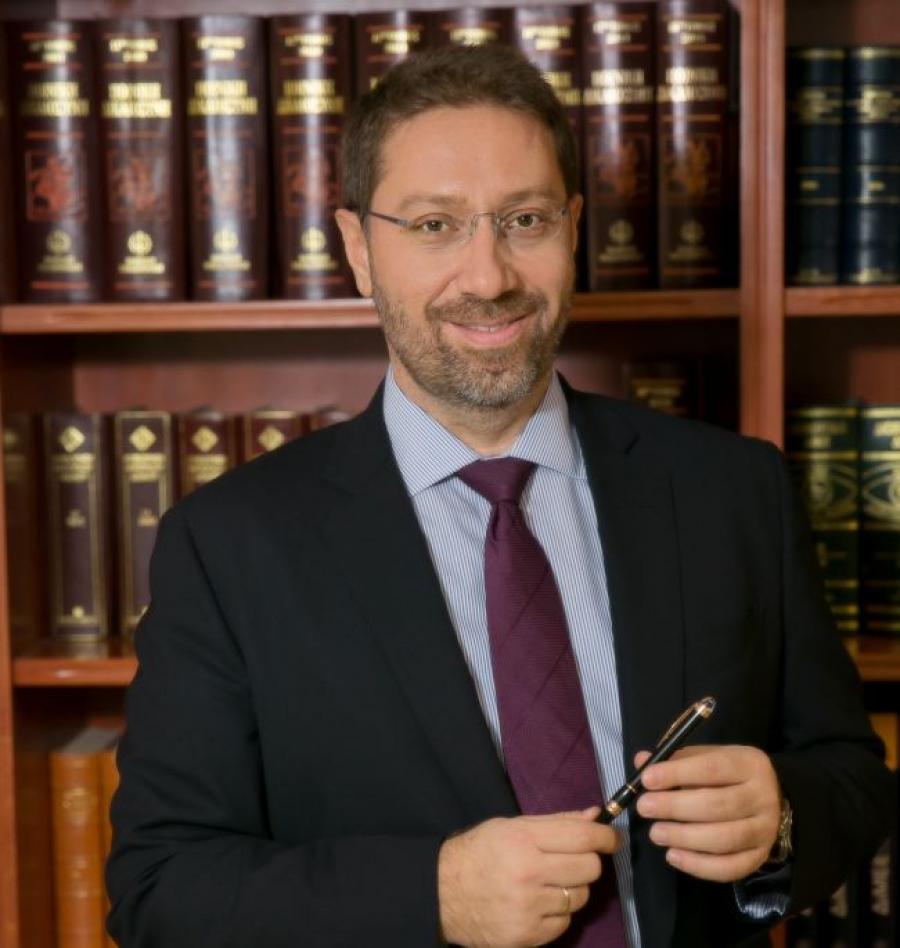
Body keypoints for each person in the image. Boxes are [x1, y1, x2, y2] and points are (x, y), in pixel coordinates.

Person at [107, 44, 893, 948]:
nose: (489, 278)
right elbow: (160, 892)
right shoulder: (227, 545)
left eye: (524, 219)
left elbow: (851, 776)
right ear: (359, 249)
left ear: (573, 228)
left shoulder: (734, 490)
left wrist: (782, 817)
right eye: (435, 225)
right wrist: (434, 895)